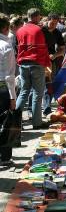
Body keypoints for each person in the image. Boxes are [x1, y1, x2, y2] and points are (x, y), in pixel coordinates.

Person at [16, 8, 50, 129]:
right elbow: (45, 47)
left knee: (23, 92)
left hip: (23, 64)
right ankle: (37, 123)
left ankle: (14, 122)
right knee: (37, 93)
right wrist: (47, 64)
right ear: (36, 17)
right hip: (37, 64)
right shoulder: (40, 30)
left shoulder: (19, 30)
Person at [0, 13, 16, 166]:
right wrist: (12, 97)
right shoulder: (6, 46)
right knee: (6, 123)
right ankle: (4, 157)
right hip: (3, 89)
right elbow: (9, 76)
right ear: (5, 28)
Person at [42, 13, 66, 116]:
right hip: (39, 61)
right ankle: (31, 110)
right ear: (48, 20)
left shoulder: (57, 33)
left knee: (49, 84)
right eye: (52, 23)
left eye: (56, 24)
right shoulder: (41, 30)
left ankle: (47, 106)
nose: (54, 25)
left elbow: (62, 50)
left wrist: (55, 55)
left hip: (50, 62)